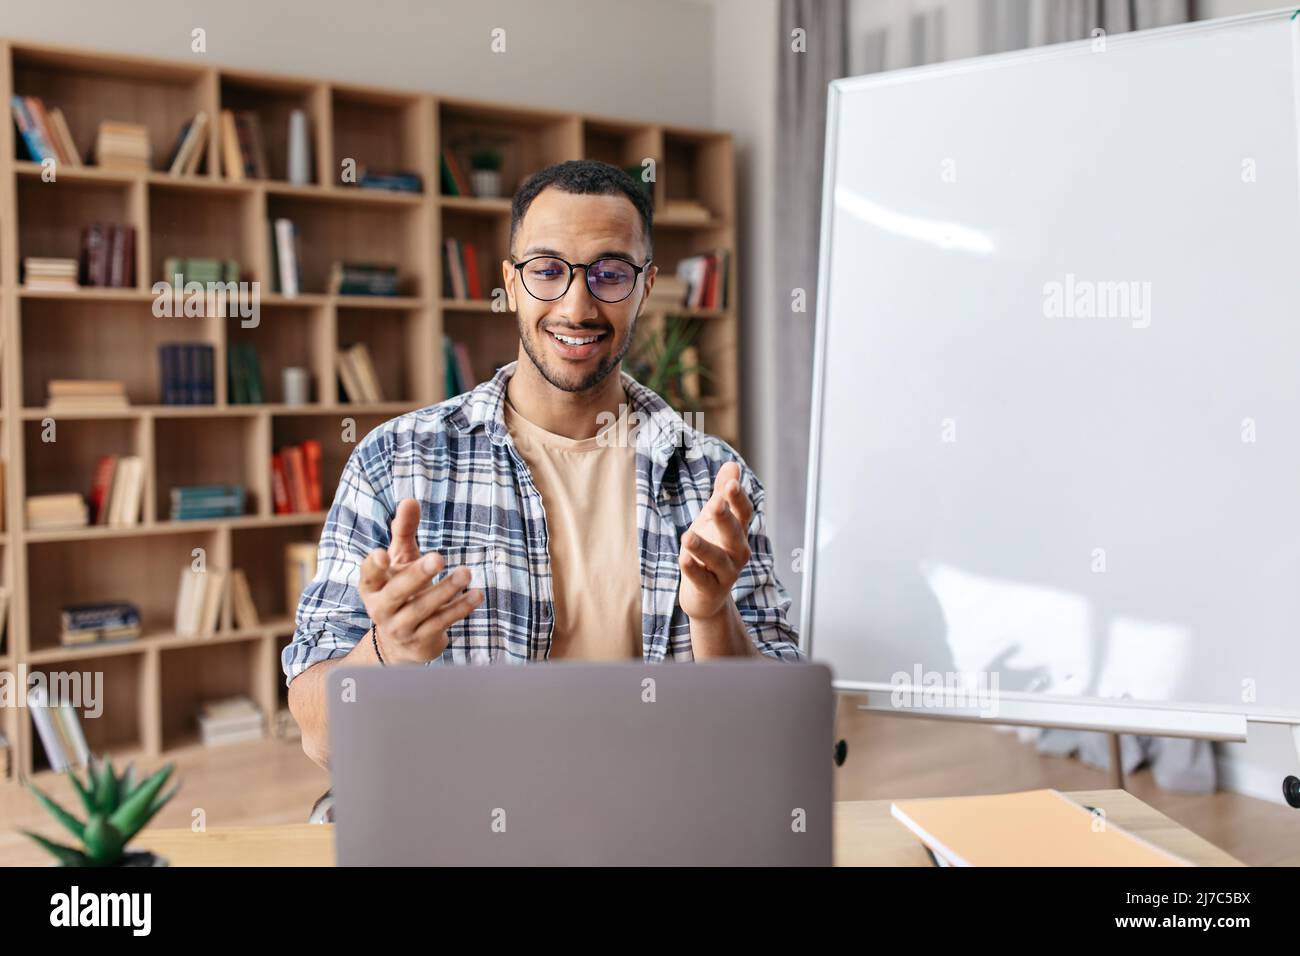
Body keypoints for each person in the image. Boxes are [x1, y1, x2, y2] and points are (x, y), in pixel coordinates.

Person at [283, 159, 802, 769]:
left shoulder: (713, 482)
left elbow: (774, 738)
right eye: (548, 270)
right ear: (510, 281)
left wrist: (713, 615)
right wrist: (388, 651)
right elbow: (320, 738)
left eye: (610, 273)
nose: (577, 306)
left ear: (645, 285)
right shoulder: (395, 462)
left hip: (656, 825)